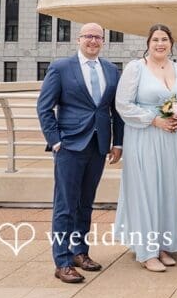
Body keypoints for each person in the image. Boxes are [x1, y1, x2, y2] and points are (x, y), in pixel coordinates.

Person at [37, 22, 124, 284]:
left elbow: (115, 111)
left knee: (85, 204)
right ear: (79, 39)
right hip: (69, 146)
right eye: (88, 36)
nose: (93, 41)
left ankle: (80, 252)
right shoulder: (61, 68)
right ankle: (62, 261)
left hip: (98, 146)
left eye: (98, 37)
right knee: (65, 205)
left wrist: (118, 143)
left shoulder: (110, 69)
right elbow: (44, 107)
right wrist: (55, 141)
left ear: (103, 41)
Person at [114, 24, 177, 272]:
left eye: (164, 39)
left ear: (171, 43)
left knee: (170, 191)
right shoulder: (136, 68)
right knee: (147, 190)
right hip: (146, 136)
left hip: (176, 139)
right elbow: (123, 104)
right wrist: (155, 119)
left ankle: (162, 246)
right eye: (155, 39)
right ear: (148, 43)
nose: (160, 44)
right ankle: (146, 251)